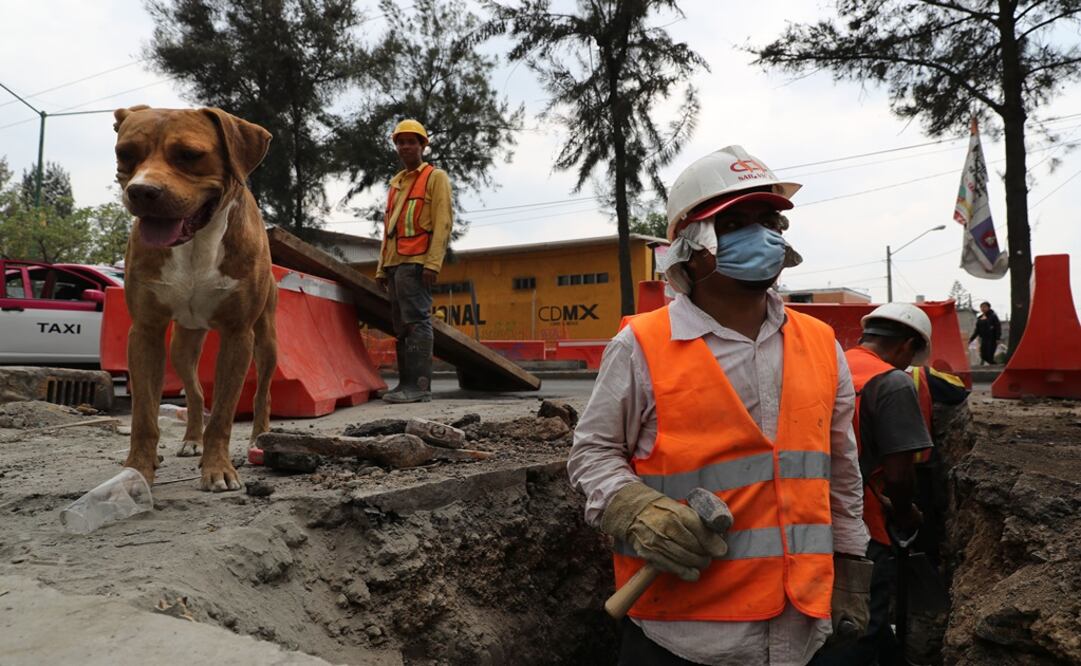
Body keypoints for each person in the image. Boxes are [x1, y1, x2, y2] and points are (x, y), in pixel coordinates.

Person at [568, 146, 872, 666]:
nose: (762, 236)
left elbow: (840, 472)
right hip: (683, 634)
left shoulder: (821, 344)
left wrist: (850, 568)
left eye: (768, 222)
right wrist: (636, 509)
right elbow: (592, 454)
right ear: (692, 246)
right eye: (734, 224)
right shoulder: (642, 346)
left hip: (803, 627)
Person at [816, 304, 935, 665]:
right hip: (862, 527)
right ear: (907, 345)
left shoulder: (828, 366)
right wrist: (905, 513)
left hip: (808, 518)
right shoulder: (892, 382)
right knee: (858, 628)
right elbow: (899, 475)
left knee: (824, 624)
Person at [375, 119, 453, 404]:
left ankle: (419, 386)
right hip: (395, 264)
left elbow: (443, 222)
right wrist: (381, 268)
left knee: (417, 321)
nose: (405, 146)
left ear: (423, 145)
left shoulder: (435, 177)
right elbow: (389, 229)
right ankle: (405, 384)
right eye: (400, 142)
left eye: (411, 142)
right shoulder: (396, 184)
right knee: (401, 327)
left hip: (417, 261)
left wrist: (433, 263)